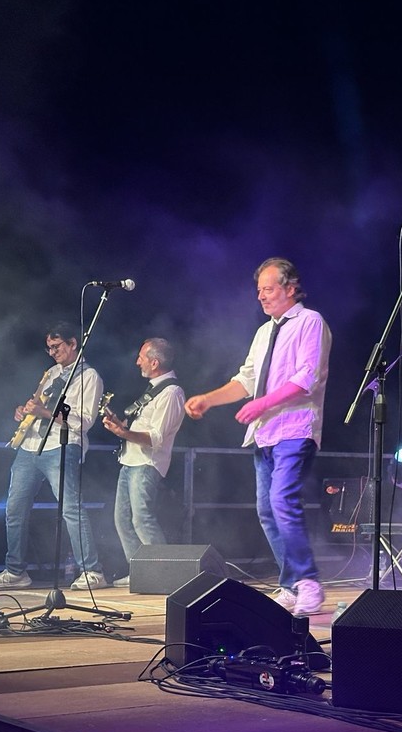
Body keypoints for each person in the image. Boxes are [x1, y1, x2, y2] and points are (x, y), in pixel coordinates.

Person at [184, 258, 331, 616]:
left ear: (290, 288)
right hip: (265, 434)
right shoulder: (265, 332)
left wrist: (261, 404)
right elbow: (246, 379)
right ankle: (291, 585)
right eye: (259, 290)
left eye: (268, 289)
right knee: (267, 510)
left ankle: (308, 582)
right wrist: (208, 399)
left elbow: (305, 379)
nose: (261, 296)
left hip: (295, 428)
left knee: (282, 501)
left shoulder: (310, 321)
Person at [0, 322, 107, 591]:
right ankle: (16, 571)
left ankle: (92, 570)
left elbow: (83, 421)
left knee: (71, 508)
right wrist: (25, 410)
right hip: (30, 445)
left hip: (62, 445)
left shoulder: (89, 377)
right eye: (49, 348)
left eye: (57, 346)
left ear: (73, 343)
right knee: (14, 508)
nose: (52, 352)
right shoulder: (51, 373)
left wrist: (44, 412)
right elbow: (38, 405)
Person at [102, 338, 186, 588]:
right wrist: (120, 426)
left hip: (147, 463)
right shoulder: (155, 389)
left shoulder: (171, 392)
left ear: (155, 362)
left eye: (141, 357)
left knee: (142, 519)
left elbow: (156, 438)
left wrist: (123, 433)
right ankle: (141, 573)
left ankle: (163, 575)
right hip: (130, 460)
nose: (137, 361)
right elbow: (141, 427)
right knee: (122, 519)